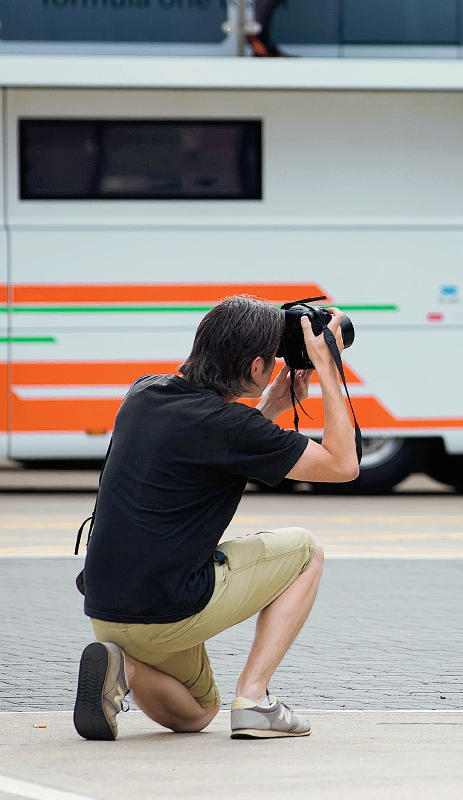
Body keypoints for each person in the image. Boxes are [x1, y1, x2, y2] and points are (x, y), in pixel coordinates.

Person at [73, 296, 359, 741]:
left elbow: (213, 448)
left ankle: (121, 664)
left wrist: (271, 408)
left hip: (107, 611)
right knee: (307, 550)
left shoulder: (143, 393)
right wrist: (328, 367)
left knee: (197, 714)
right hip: (169, 611)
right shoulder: (231, 427)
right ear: (258, 365)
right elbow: (343, 465)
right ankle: (254, 698)